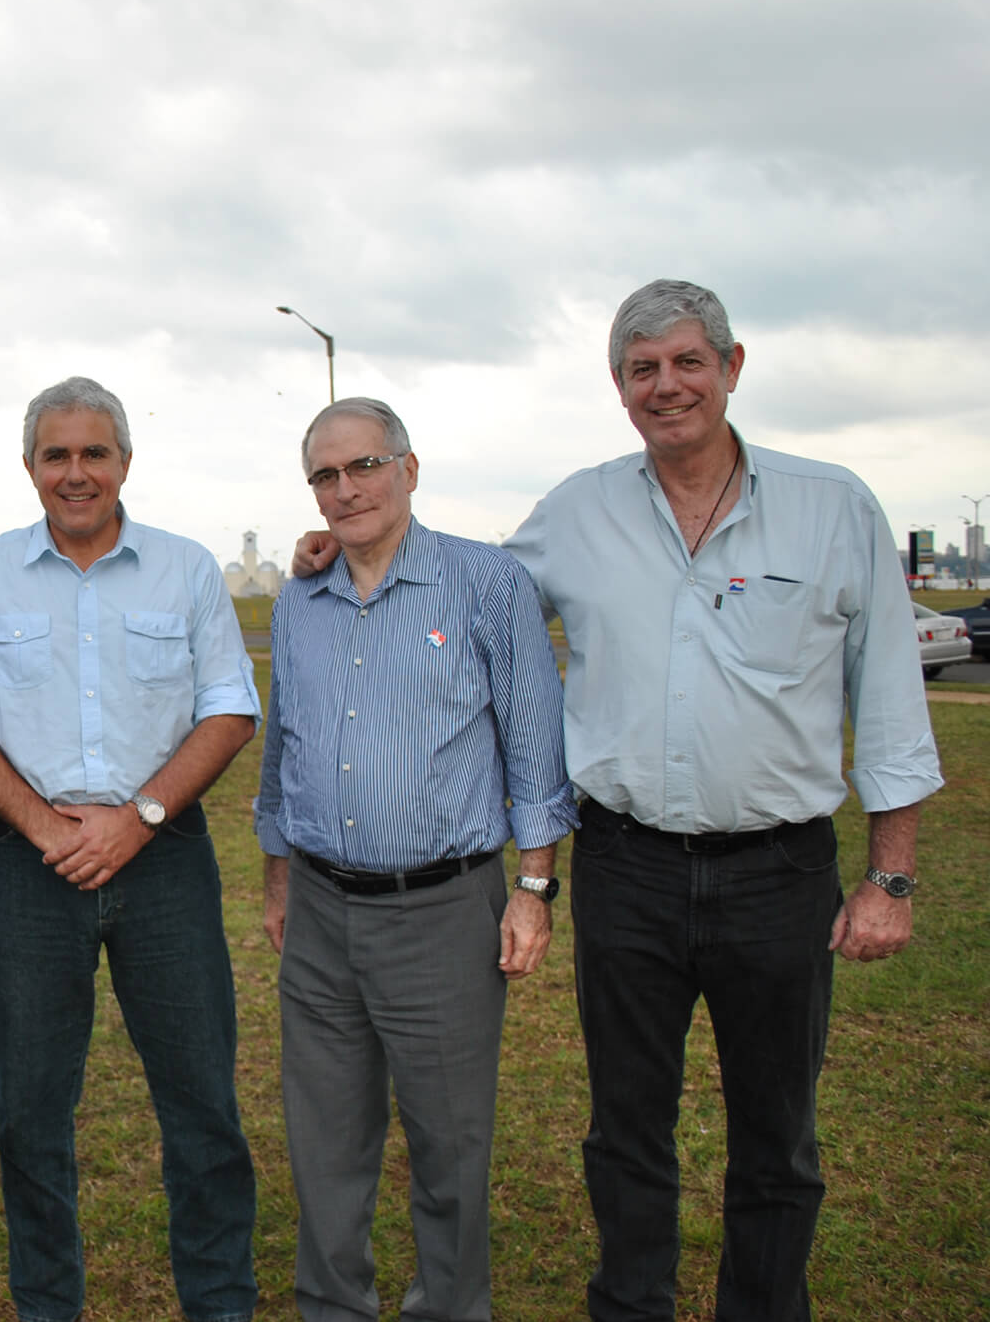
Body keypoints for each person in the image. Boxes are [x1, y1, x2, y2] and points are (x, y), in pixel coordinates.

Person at [292, 279, 943, 1321]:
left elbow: (888, 701)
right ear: (617, 386)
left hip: (777, 868)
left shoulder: (832, 508)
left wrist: (889, 875)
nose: (666, 385)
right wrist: (351, 544)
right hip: (628, 865)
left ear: (731, 369)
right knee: (624, 1127)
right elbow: (470, 589)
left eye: (687, 361)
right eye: (642, 369)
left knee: (775, 1134)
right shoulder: (578, 510)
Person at [0, 376, 261, 1322]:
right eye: (56, 455)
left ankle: (221, 1305)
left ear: (124, 461)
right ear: (30, 466)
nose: (77, 473)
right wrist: (45, 827)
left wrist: (138, 817)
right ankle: (47, 1307)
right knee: (31, 1116)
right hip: (27, 870)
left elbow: (230, 707)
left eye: (94, 453)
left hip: (165, 860)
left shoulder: (186, 569)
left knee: (201, 1105)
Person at [257, 397, 576, 1322]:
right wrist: (279, 879)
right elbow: (284, 750)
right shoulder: (299, 597)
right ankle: (334, 1306)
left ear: (409, 467)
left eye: (364, 465)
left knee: (449, 1144)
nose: (346, 488)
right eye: (326, 474)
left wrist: (533, 888)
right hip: (319, 910)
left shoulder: (484, 583)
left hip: (443, 911)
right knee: (323, 1144)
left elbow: (534, 749)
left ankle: (449, 1307)